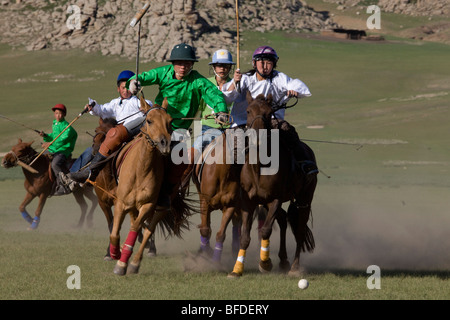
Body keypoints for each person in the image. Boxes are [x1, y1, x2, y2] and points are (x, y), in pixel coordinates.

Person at [127, 43, 229, 207]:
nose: (183, 67)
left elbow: (214, 94)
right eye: (179, 63)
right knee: (118, 133)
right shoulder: (163, 73)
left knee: (182, 161)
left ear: (192, 65)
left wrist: (221, 110)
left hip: (178, 130)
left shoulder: (197, 80)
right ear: (173, 63)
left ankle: (166, 192)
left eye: (187, 63)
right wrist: (134, 81)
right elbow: (145, 76)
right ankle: (93, 169)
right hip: (154, 122)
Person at [222, 45, 318, 176]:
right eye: (261, 62)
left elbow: (298, 85)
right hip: (243, 122)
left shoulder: (280, 78)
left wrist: (294, 90)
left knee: (287, 130)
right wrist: (234, 82)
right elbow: (227, 98)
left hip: (271, 121)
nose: (265, 66)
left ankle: (303, 163)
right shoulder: (244, 78)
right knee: (234, 148)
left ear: (274, 64)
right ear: (254, 63)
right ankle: (231, 177)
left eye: (269, 62)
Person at [67, 70, 151, 185]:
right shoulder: (115, 103)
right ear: (118, 89)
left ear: (133, 88)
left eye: (128, 87)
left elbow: (149, 106)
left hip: (134, 135)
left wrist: (145, 107)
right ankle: (73, 176)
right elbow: (103, 110)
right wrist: (93, 107)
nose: (125, 90)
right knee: (94, 149)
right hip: (118, 136)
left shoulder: (136, 102)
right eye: (122, 87)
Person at [192, 48, 235, 154]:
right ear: (213, 67)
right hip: (207, 128)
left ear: (230, 67)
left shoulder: (236, 84)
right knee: (194, 152)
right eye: (219, 65)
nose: (222, 69)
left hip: (231, 129)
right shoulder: (205, 83)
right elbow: (199, 108)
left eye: (226, 65)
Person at [39, 104, 78, 196]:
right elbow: (54, 136)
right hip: (54, 149)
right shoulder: (55, 123)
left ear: (64, 115)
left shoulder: (67, 127)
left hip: (63, 150)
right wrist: (45, 136)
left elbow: (62, 140)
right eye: (56, 113)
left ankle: (63, 183)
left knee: (55, 164)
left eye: (60, 114)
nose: (58, 115)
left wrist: (50, 143)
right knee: (40, 157)